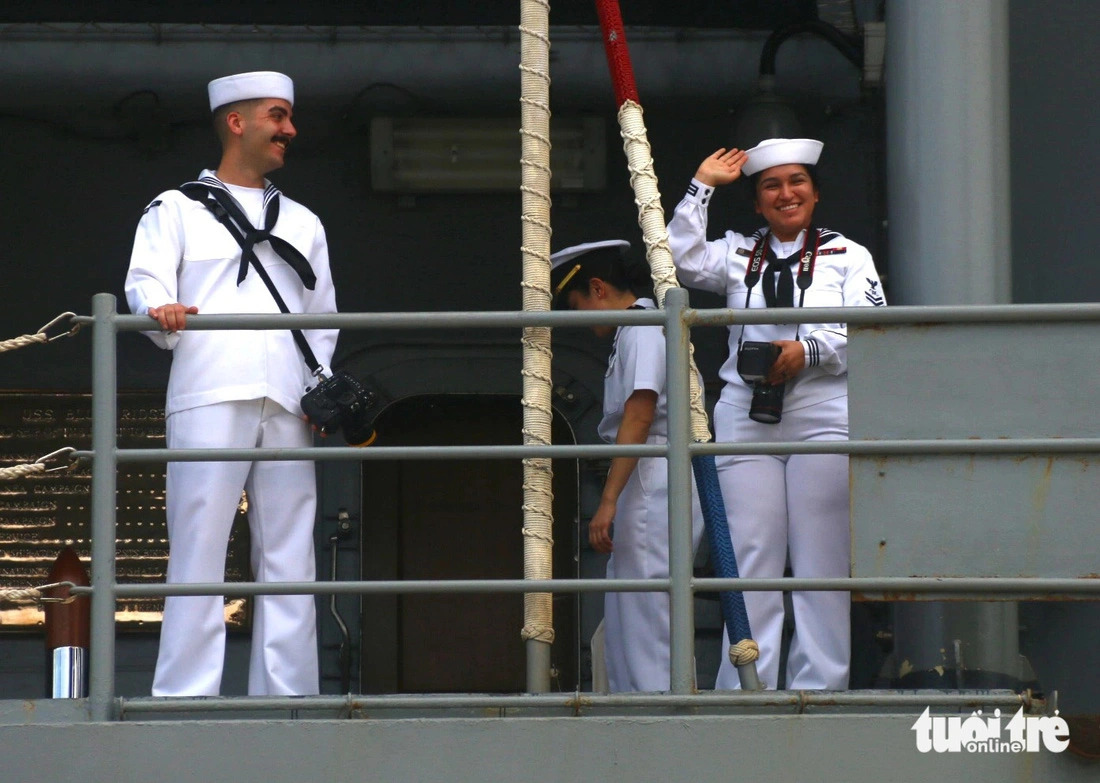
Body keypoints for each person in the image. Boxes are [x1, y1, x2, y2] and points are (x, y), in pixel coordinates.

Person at [124, 71, 337, 696]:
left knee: (291, 552)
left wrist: (316, 389)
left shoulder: (303, 221)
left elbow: (322, 318)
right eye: (277, 115)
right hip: (209, 389)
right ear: (236, 122)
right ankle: (186, 693)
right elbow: (146, 283)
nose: (290, 129)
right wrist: (162, 310)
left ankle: (289, 694)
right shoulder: (176, 208)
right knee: (198, 544)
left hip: (289, 399)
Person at [667, 138, 885, 691]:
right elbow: (679, 259)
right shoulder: (740, 252)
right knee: (749, 561)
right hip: (747, 414)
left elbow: (869, 331)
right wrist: (701, 186)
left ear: (814, 193)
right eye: (771, 186)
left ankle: (819, 690)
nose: (787, 194)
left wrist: (807, 352)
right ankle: (747, 687)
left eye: (797, 182)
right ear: (759, 203)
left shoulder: (848, 254)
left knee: (820, 566)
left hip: (822, 412)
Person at [551, 240, 704, 692]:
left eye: (576, 304)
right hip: (648, 470)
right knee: (631, 606)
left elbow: (638, 416)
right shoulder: (633, 331)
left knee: (648, 610)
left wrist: (609, 501)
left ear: (597, 288)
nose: (578, 318)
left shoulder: (641, 329)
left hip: (653, 472)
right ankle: (638, 701)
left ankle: (657, 707)